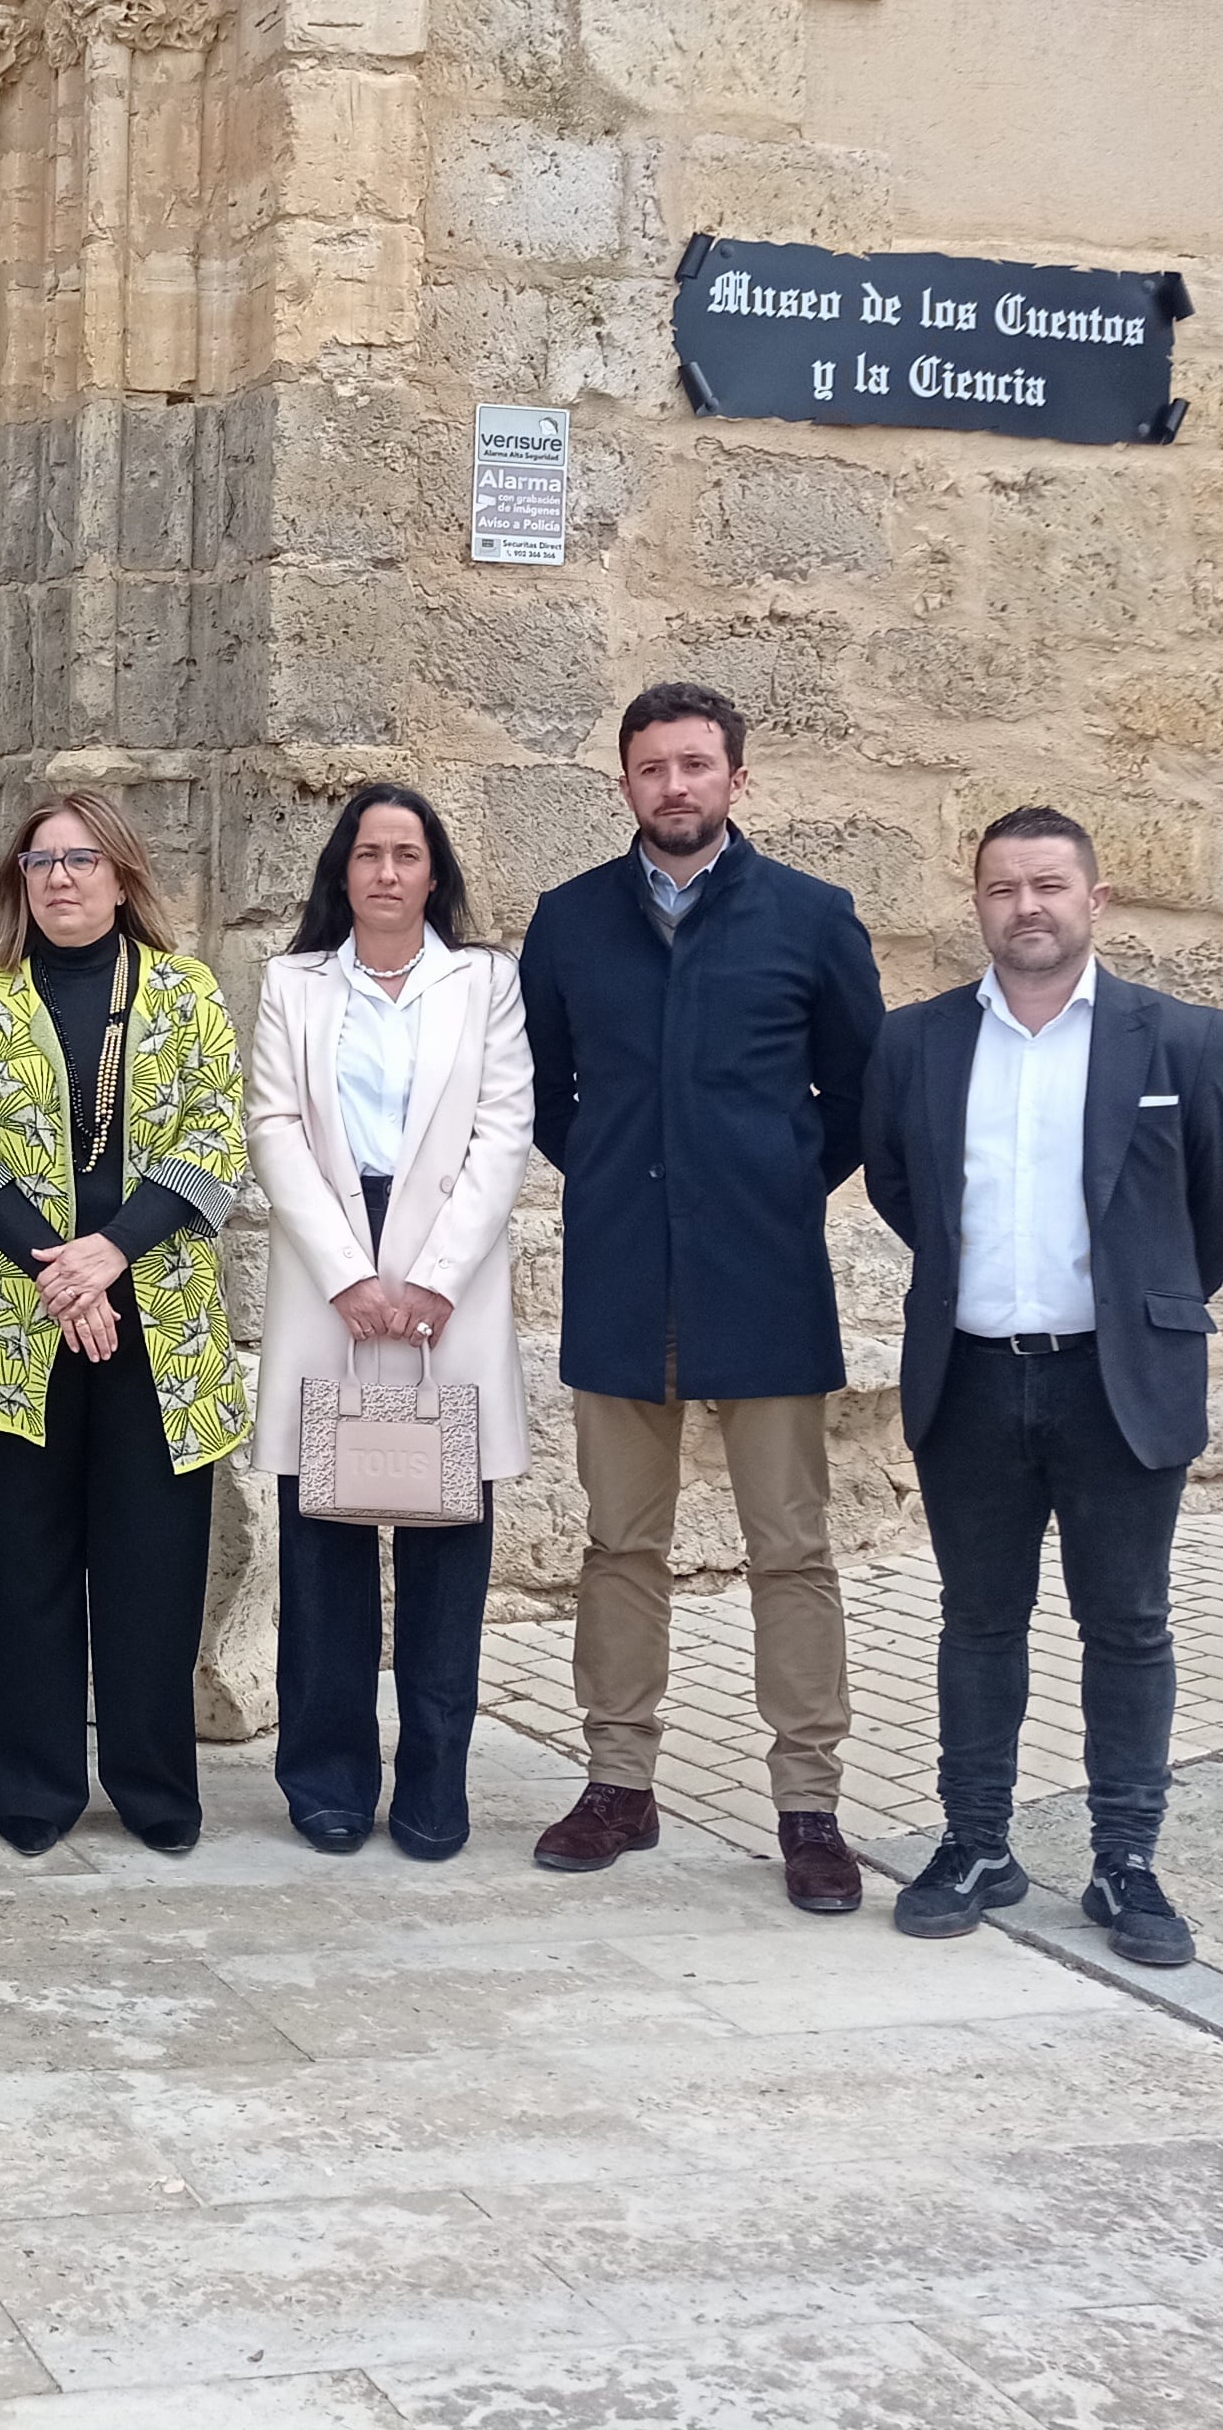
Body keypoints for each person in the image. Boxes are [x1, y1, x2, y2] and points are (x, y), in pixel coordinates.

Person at [864, 807, 1223, 1966]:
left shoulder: (1178, 1039)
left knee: (1127, 1624)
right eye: (1002, 888)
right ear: (977, 904)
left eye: (1048, 886)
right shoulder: (918, 1043)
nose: (1025, 907)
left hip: (1118, 1383)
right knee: (977, 1621)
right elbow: (902, 1188)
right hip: (975, 1378)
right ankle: (978, 1842)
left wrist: (1149, 1296)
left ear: (1095, 901)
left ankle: (1124, 1860)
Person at [517, 680, 885, 1914]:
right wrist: (629, 1179)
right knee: (620, 1541)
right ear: (622, 783)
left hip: (763, 1277)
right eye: (651, 768)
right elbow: (553, 1097)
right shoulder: (568, 924)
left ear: (736, 777)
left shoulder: (812, 919)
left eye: (695, 764)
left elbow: (855, 1094)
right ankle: (618, 1781)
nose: (674, 786)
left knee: (791, 1548)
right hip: (623, 1275)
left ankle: (808, 1803)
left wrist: (773, 1181)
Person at [0, 790, 249, 1858]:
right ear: (18, 878)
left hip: (159, 1319)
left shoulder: (186, 993)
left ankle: (154, 1790)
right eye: (40, 859)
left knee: (155, 1564)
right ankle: (32, 1785)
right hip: (20, 1323)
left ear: (121, 873)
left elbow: (215, 1140)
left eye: (82, 859)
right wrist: (62, 1277)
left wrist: (111, 1254)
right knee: (28, 1562)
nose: (60, 877)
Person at [247, 784, 535, 1862]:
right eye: (366, 853)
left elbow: (503, 1132)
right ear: (341, 870)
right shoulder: (292, 985)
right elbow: (272, 1123)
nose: (384, 872)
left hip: (442, 1283)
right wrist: (347, 1273)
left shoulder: (485, 985)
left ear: (432, 872)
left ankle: (432, 1786)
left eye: (405, 854)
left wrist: (430, 1275)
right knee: (321, 1540)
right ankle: (324, 1777)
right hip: (331, 1269)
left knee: (443, 1550)